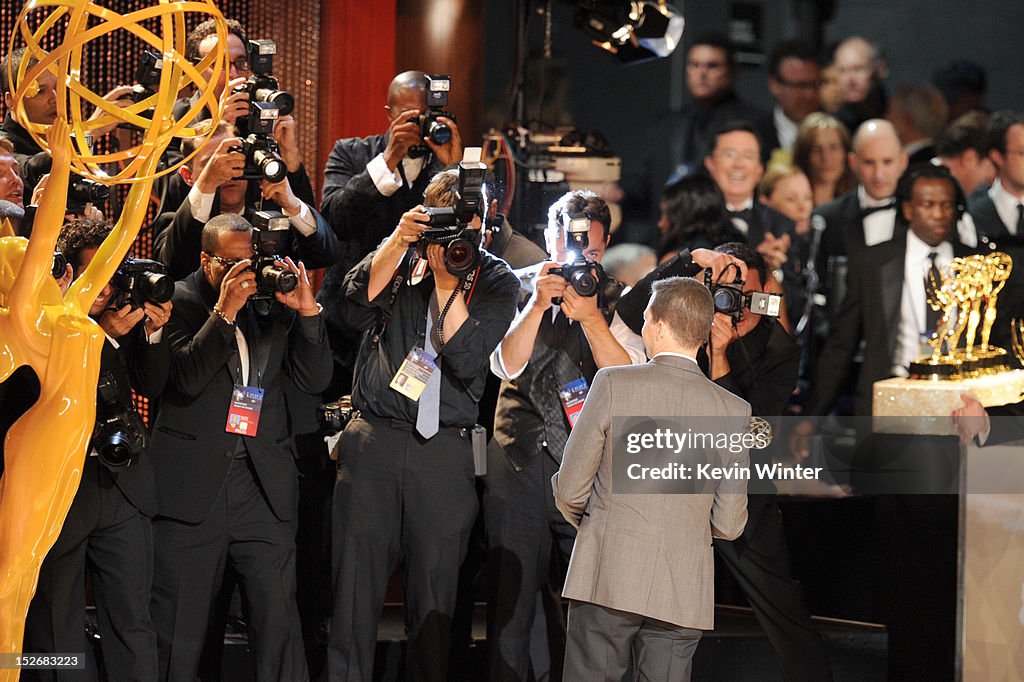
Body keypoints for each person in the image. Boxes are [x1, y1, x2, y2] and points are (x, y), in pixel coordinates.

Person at [327, 168, 520, 681]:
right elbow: (350, 307)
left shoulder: (497, 278)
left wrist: (445, 282)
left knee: (436, 608)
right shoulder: (402, 255)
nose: (462, 236)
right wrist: (397, 240)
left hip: (444, 455)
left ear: (488, 221)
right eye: (450, 222)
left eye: (473, 223)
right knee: (351, 599)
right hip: (373, 445)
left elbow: (468, 356)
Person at [148, 213, 331, 682]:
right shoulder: (178, 300)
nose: (246, 274)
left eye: (249, 261)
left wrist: (307, 313)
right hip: (194, 493)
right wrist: (224, 312)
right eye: (233, 264)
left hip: (264, 490)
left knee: (279, 631)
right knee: (179, 636)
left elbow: (315, 379)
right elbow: (184, 379)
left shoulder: (270, 304)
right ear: (207, 261)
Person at [552, 276, 750, 681]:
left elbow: (570, 490)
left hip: (608, 574)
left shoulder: (613, 383)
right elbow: (730, 524)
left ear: (658, 326)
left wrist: (603, 526)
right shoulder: (733, 411)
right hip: (683, 587)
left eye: (644, 319)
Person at [485, 190, 645, 681]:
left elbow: (631, 376)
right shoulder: (515, 286)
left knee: (577, 606)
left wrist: (592, 317)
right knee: (509, 605)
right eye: (570, 249)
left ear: (606, 245)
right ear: (549, 239)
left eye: (592, 253)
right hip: (518, 459)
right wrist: (536, 306)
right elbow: (503, 364)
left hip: (587, 464)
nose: (580, 260)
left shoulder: (619, 297)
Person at [20, 217, 171, 682]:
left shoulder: (126, 308)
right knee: (56, 627)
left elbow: (153, 382)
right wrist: (101, 335)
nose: (104, 288)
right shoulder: (37, 319)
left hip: (125, 486)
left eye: (111, 274)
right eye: (93, 275)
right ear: (69, 273)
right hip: (60, 492)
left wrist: (153, 334)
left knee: (133, 622)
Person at [699, 242, 833, 681]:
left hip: (745, 489)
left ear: (762, 292)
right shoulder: (688, 326)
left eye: (744, 292)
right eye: (724, 290)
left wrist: (721, 356)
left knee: (781, 606)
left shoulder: (779, 348)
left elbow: (751, 431)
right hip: (684, 479)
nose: (734, 304)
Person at [806, 164, 973, 418]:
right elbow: (842, 343)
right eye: (928, 205)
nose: (939, 214)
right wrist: (812, 417)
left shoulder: (974, 264)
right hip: (891, 396)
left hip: (958, 400)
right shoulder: (872, 263)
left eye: (947, 205)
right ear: (908, 209)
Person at [154, 120, 339, 281]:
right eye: (211, 163)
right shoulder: (175, 223)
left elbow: (325, 256)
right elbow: (172, 268)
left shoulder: (271, 220)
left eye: (235, 158)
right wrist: (207, 183)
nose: (227, 171)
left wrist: (292, 205)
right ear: (188, 176)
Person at [0, 47, 132, 205]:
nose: (55, 98)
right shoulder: (4, 144)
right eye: (41, 91)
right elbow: (31, 171)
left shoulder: (70, 139)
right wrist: (90, 132)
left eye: (58, 88)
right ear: (11, 100)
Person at [765, 40, 821, 154]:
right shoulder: (756, 135)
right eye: (800, 86)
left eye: (814, 85)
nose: (809, 95)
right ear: (775, 85)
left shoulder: (834, 133)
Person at [793, 113, 857, 207]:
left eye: (833, 147)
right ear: (804, 155)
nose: (826, 157)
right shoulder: (794, 205)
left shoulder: (858, 202)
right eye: (816, 149)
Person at [832, 36, 888, 133]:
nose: (850, 80)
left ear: (879, 69)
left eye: (858, 69)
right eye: (842, 70)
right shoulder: (832, 127)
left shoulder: (895, 116)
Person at [886, 84, 949, 166]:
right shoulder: (943, 161)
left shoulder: (906, 169)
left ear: (906, 121)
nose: (886, 119)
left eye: (890, 113)